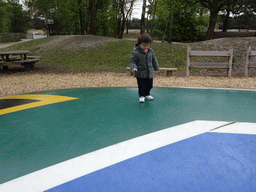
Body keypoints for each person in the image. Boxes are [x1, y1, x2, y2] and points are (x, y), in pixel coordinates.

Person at [129, 33, 159, 103]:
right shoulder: (136, 52)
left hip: (149, 72)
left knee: (150, 85)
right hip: (140, 73)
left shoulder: (150, 51)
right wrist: (134, 68)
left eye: (148, 45)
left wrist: (156, 67)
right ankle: (142, 96)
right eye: (144, 45)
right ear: (139, 45)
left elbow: (154, 59)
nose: (146, 47)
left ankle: (147, 94)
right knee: (142, 85)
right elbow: (132, 61)